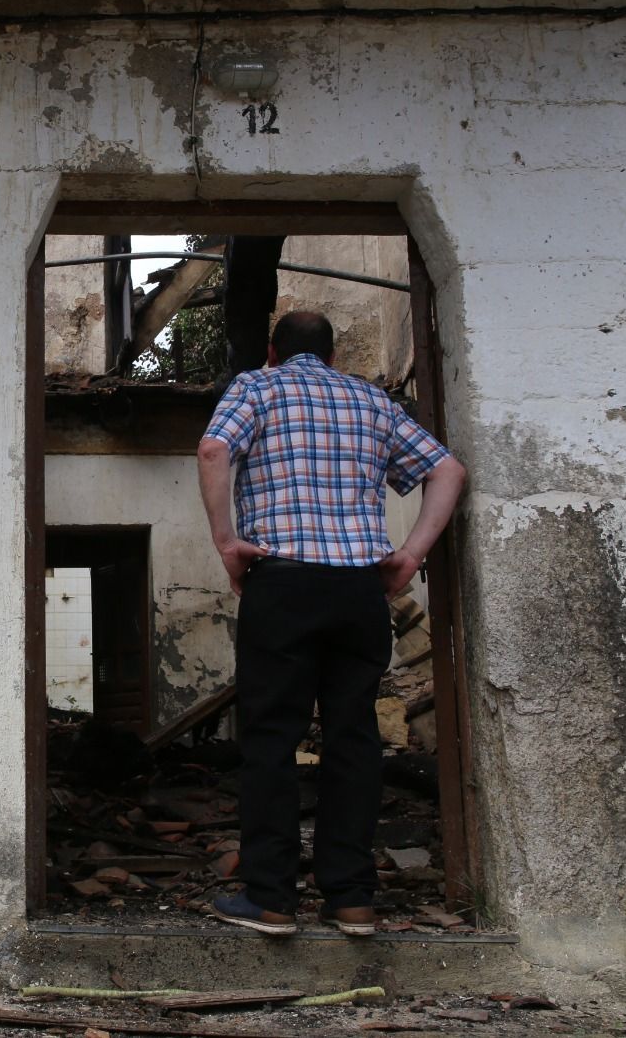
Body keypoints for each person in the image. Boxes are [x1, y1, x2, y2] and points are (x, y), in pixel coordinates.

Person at [196, 310, 467, 937]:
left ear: (272, 351)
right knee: (354, 737)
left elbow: (213, 450)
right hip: (357, 590)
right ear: (332, 356)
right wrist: (411, 555)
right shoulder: (370, 399)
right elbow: (447, 471)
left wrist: (228, 543)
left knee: (271, 737)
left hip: (282, 582)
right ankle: (351, 899)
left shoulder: (256, 386)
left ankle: (271, 899)